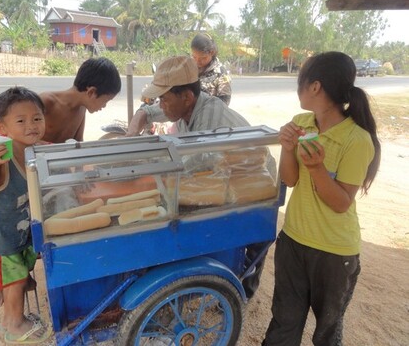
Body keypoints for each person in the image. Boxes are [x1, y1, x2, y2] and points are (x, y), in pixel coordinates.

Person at [262, 51, 381, 346]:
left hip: (333, 253)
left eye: (300, 82)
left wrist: (316, 169)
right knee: (283, 324)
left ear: (314, 86)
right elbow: (290, 180)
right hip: (293, 241)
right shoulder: (303, 122)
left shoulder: (356, 139)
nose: (298, 88)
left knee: (326, 333)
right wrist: (288, 148)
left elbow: (341, 203)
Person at [139, 55, 269, 299]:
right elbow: (157, 111)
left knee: (252, 245)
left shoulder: (209, 115)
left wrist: (154, 169)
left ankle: (242, 294)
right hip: (225, 176)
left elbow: (197, 161)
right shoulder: (183, 106)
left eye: (164, 98)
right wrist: (140, 118)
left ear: (187, 96)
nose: (162, 105)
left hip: (254, 178)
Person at [0, 86, 52, 344]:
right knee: (16, 277)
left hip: (22, 233)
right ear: (2, 127)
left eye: (37, 118)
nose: (31, 126)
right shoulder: (2, 159)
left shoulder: (36, 150)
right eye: (21, 121)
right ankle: (12, 324)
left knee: (23, 270)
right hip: (2, 237)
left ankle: (6, 295)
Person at [126, 33, 231, 136]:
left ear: (211, 53)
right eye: (194, 57)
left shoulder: (207, 123)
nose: (198, 62)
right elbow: (147, 112)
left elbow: (224, 101)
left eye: (202, 58)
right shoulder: (189, 67)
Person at [40, 57, 121, 143]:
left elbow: (78, 142)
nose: (104, 106)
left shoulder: (82, 109)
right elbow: (24, 139)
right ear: (91, 92)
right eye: (106, 100)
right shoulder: (46, 101)